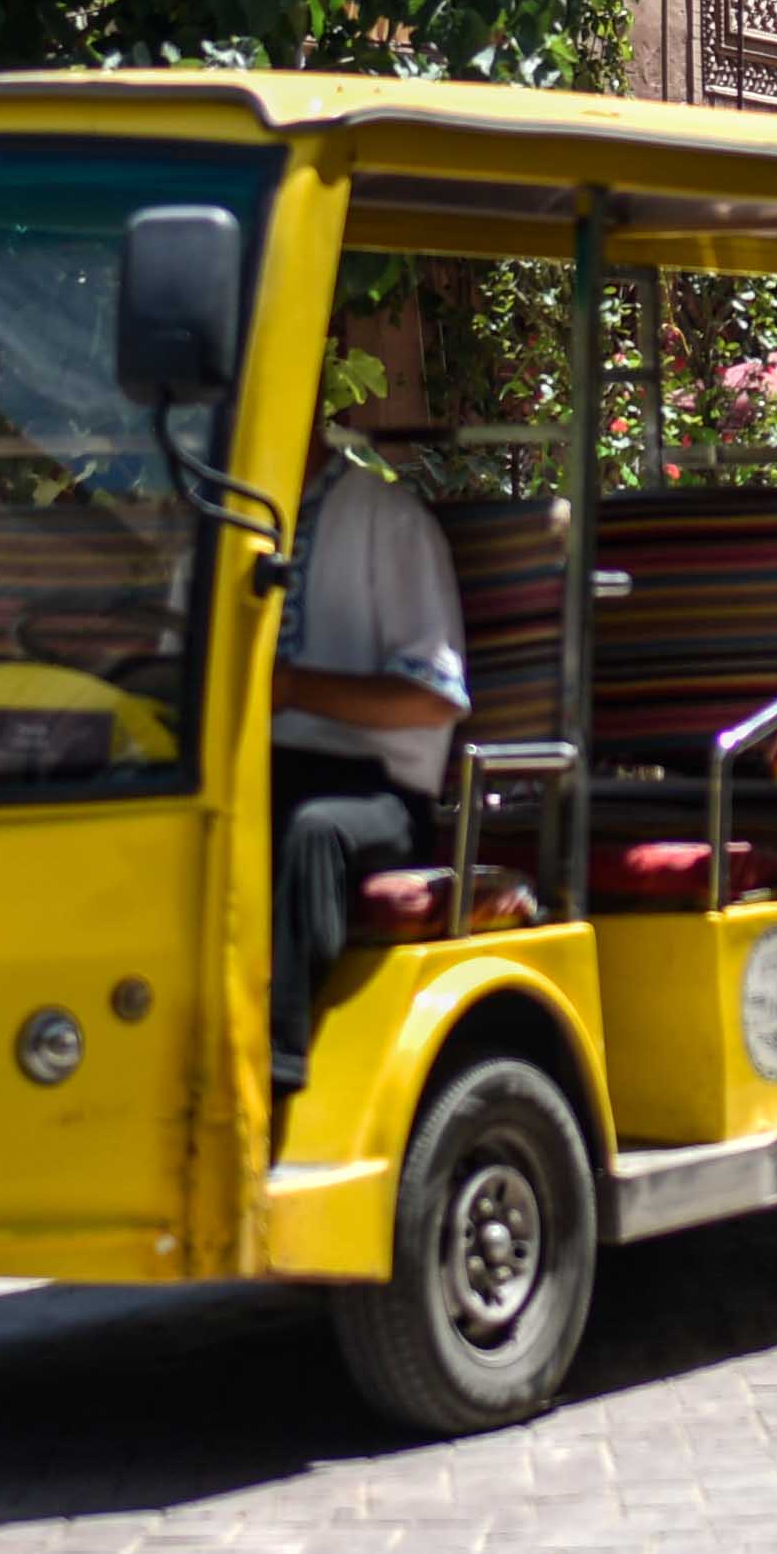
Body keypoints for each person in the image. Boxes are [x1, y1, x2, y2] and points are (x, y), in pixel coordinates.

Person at [265, 427, 471, 1097]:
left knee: (311, 830)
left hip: (380, 791)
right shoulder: (227, 522)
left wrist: (294, 689)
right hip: (259, 770)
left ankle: (275, 1064)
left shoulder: (388, 519)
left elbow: (433, 698)